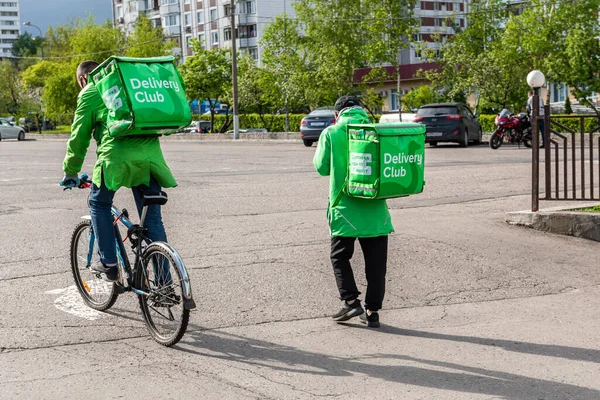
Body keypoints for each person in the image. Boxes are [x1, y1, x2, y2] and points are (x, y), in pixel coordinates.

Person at [60, 60, 177, 282]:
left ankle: (109, 264)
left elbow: (79, 137)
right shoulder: (130, 86)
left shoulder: (91, 90)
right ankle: (165, 284)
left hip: (115, 161)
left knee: (98, 203)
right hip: (151, 160)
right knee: (152, 220)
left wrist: (71, 172)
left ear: (84, 78)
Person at [313, 96, 394, 328]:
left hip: (345, 210)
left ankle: (350, 301)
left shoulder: (332, 132)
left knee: (339, 256)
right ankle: (371, 312)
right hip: (376, 210)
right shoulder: (375, 131)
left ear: (337, 115)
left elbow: (321, 168)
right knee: (376, 265)